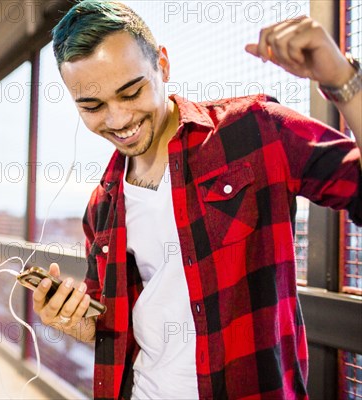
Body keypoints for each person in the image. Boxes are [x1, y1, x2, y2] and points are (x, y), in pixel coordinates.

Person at [32, 1, 362, 399]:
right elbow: (110, 323)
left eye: (131, 91)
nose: (118, 120)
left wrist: (343, 81)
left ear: (163, 65)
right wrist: (74, 320)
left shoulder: (254, 129)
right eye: (92, 106)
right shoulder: (102, 204)